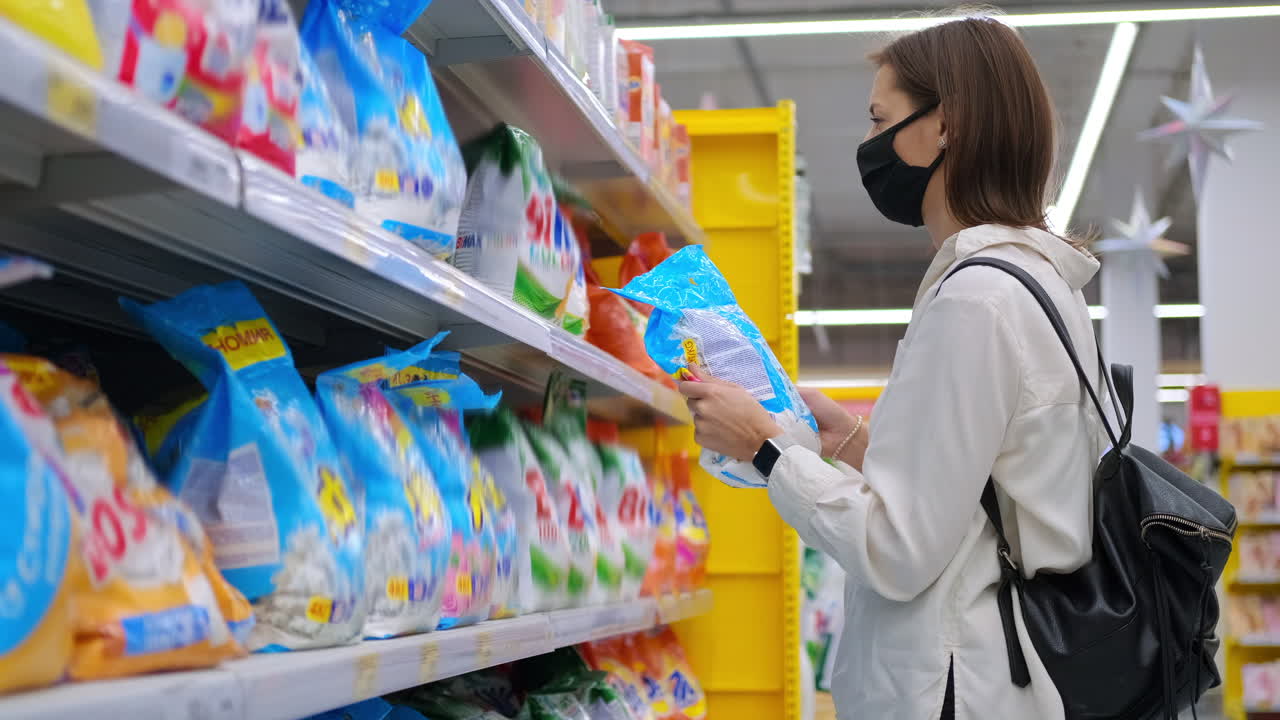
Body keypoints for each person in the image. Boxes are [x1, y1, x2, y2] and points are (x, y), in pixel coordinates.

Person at [677, 15, 1107, 720]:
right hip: (1001, 670)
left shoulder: (976, 300)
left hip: (955, 682)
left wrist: (764, 447)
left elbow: (898, 549)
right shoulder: (1033, 284)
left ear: (946, 126)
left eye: (882, 118)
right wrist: (848, 438)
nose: (871, 142)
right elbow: (977, 497)